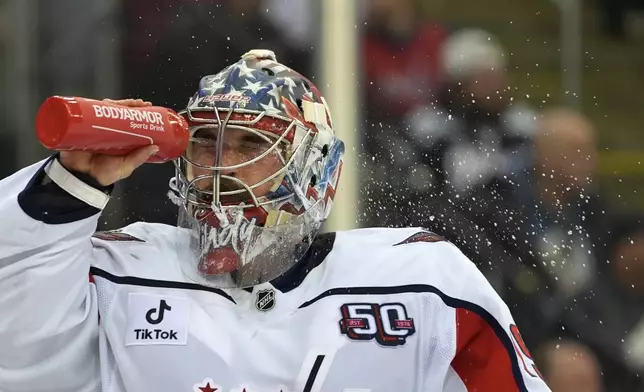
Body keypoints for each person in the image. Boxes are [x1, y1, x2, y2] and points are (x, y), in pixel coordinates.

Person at [0, 49, 550, 392]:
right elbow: (23, 358)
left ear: (315, 169)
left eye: (249, 144)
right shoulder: (118, 266)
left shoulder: (424, 284)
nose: (219, 166)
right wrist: (64, 194)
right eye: (206, 142)